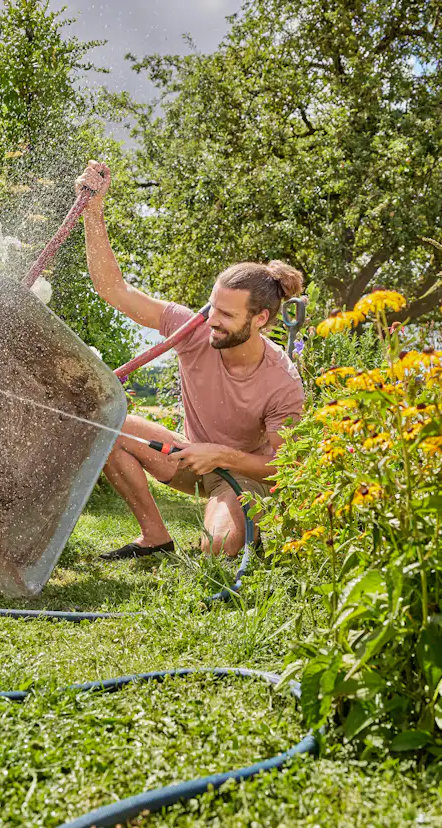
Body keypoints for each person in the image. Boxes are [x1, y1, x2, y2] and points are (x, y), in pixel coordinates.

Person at [75, 161, 305, 560]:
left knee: (217, 548)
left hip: (241, 476)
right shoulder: (194, 330)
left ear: (260, 319)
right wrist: (93, 212)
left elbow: (284, 468)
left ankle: (241, 527)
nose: (211, 320)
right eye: (212, 306)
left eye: (227, 315)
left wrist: (221, 456)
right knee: (107, 425)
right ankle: (154, 538)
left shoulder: (281, 381)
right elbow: (114, 289)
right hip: (188, 458)